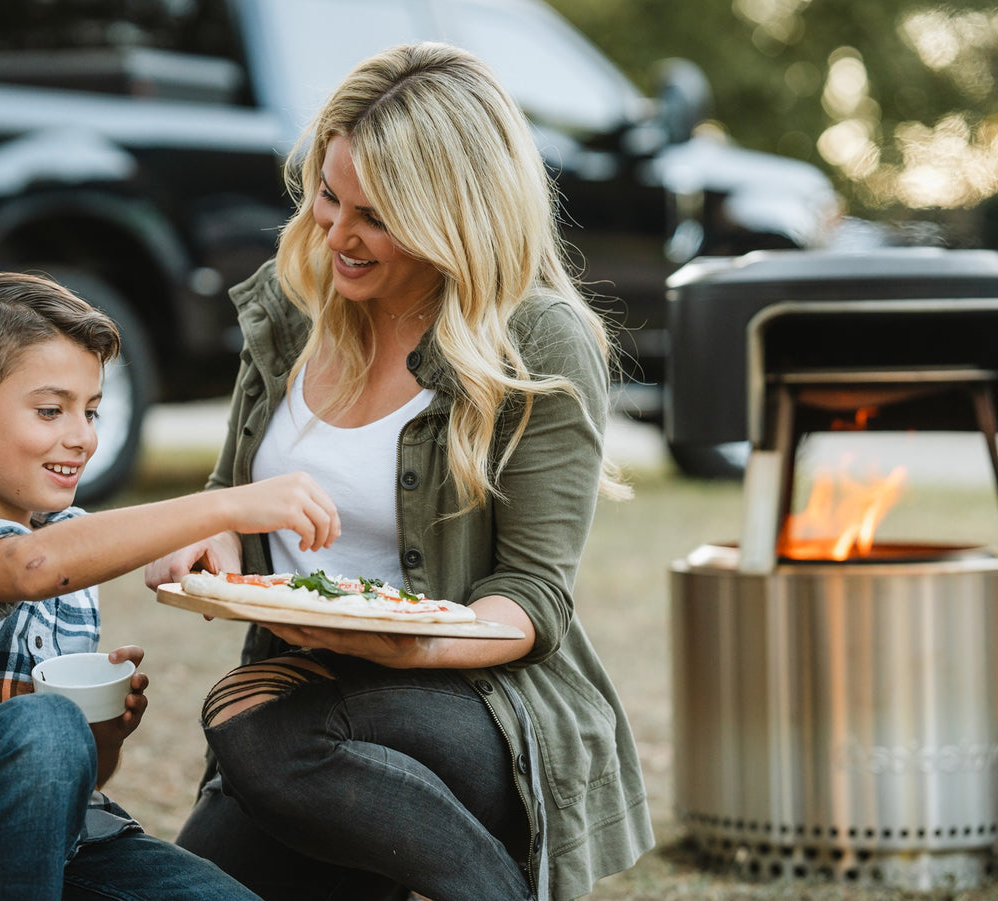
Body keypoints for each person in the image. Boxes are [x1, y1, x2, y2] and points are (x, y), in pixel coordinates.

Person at [144, 42, 653, 901]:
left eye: (374, 216)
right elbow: (232, 499)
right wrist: (214, 550)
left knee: (258, 729)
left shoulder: (539, 339)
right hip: (294, 698)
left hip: (472, 704)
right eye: (326, 193)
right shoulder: (292, 299)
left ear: (452, 213)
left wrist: (401, 641)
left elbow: (531, 598)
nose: (335, 234)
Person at [0, 270, 340, 901]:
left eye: (91, 411)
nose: (82, 436)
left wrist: (103, 734)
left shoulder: (70, 546)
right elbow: (24, 568)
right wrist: (225, 506)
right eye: (50, 410)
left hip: (47, 849)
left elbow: (68, 774)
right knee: (46, 724)